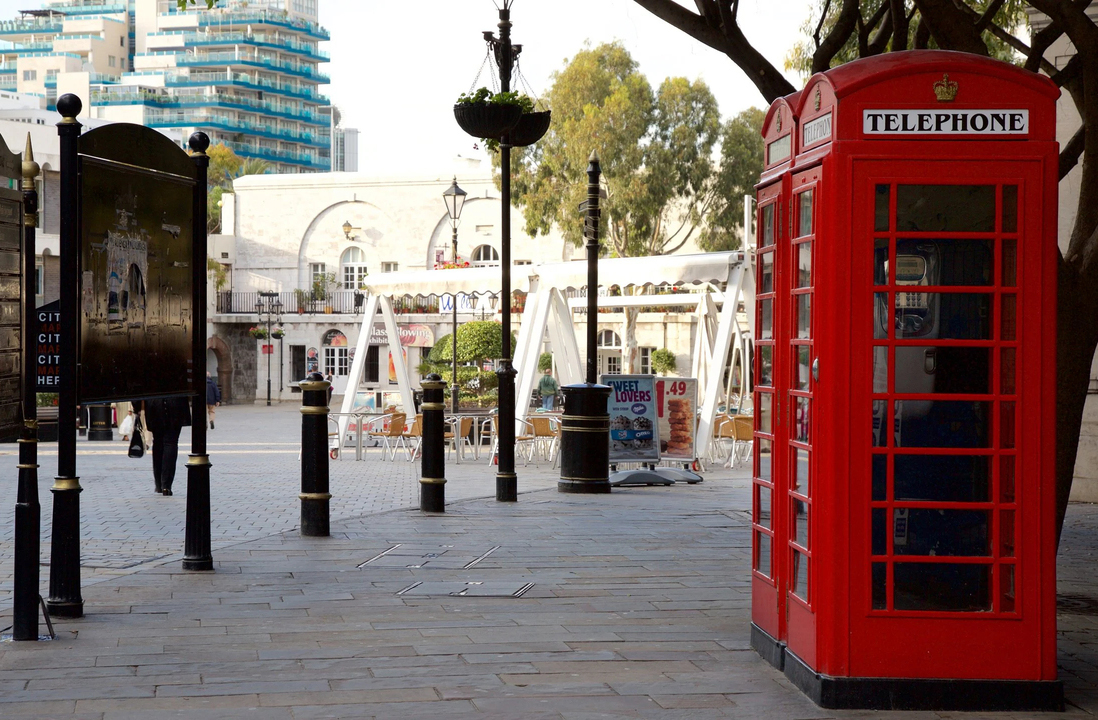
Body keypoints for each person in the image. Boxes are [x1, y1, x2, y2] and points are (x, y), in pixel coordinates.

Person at [142, 396, 191, 496]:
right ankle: (166, 485)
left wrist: (137, 407)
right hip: (176, 402)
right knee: (171, 442)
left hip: (154, 403)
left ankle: (159, 483)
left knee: (158, 442)